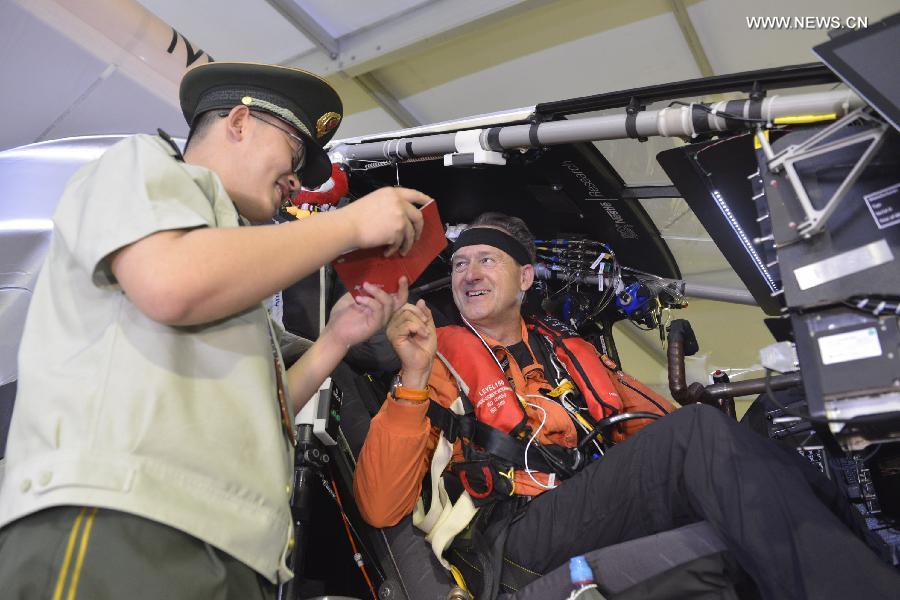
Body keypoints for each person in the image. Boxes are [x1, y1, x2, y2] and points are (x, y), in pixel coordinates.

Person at [0, 62, 432, 599]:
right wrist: (348, 225)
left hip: (226, 551)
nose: (297, 180)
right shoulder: (141, 165)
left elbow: (264, 412)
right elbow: (170, 283)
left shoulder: (234, 289)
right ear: (240, 122)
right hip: (122, 523)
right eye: (294, 153)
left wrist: (336, 339)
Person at [353, 212, 900, 599]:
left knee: (776, 440)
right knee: (700, 435)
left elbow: (658, 427)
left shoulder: (571, 351)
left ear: (523, 278)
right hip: (512, 534)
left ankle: (878, 558)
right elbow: (379, 507)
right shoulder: (437, 355)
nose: (468, 274)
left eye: (486, 261)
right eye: (461, 264)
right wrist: (414, 375)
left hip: (592, 508)